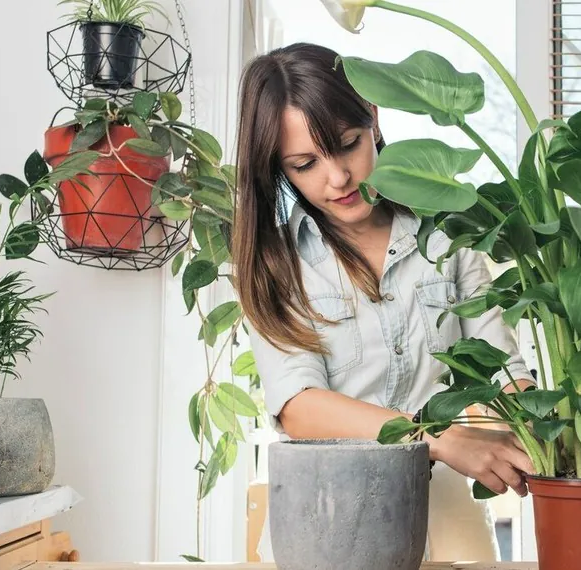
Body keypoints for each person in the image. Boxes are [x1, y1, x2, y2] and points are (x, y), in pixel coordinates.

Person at [231, 42, 537, 562]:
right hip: (323, 522)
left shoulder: (449, 232)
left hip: (445, 514)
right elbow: (300, 406)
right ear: (279, 168)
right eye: (305, 164)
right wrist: (435, 436)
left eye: (347, 144)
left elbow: (501, 368)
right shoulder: (276, 262)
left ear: (372, 117)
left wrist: (544, 427)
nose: (337, 178)